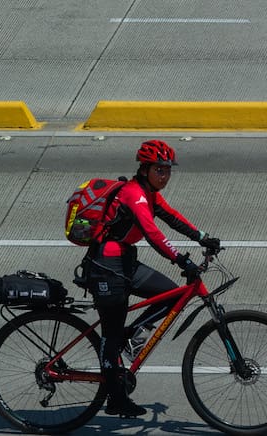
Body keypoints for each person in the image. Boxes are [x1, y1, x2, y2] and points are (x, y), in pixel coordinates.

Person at [84, 138, 219, 419]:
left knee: (171, 295)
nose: (165, 176)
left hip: (125, 261)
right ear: (144, 169)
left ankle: (128, 335)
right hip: (106, 264)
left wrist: (203, 238)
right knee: (110, 335)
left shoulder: (150, 194)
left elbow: (172, 217)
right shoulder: (134, 194)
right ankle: (116, 399)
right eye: (160, 170)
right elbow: (153, 234)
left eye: (168, 170)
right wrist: (181, 259)